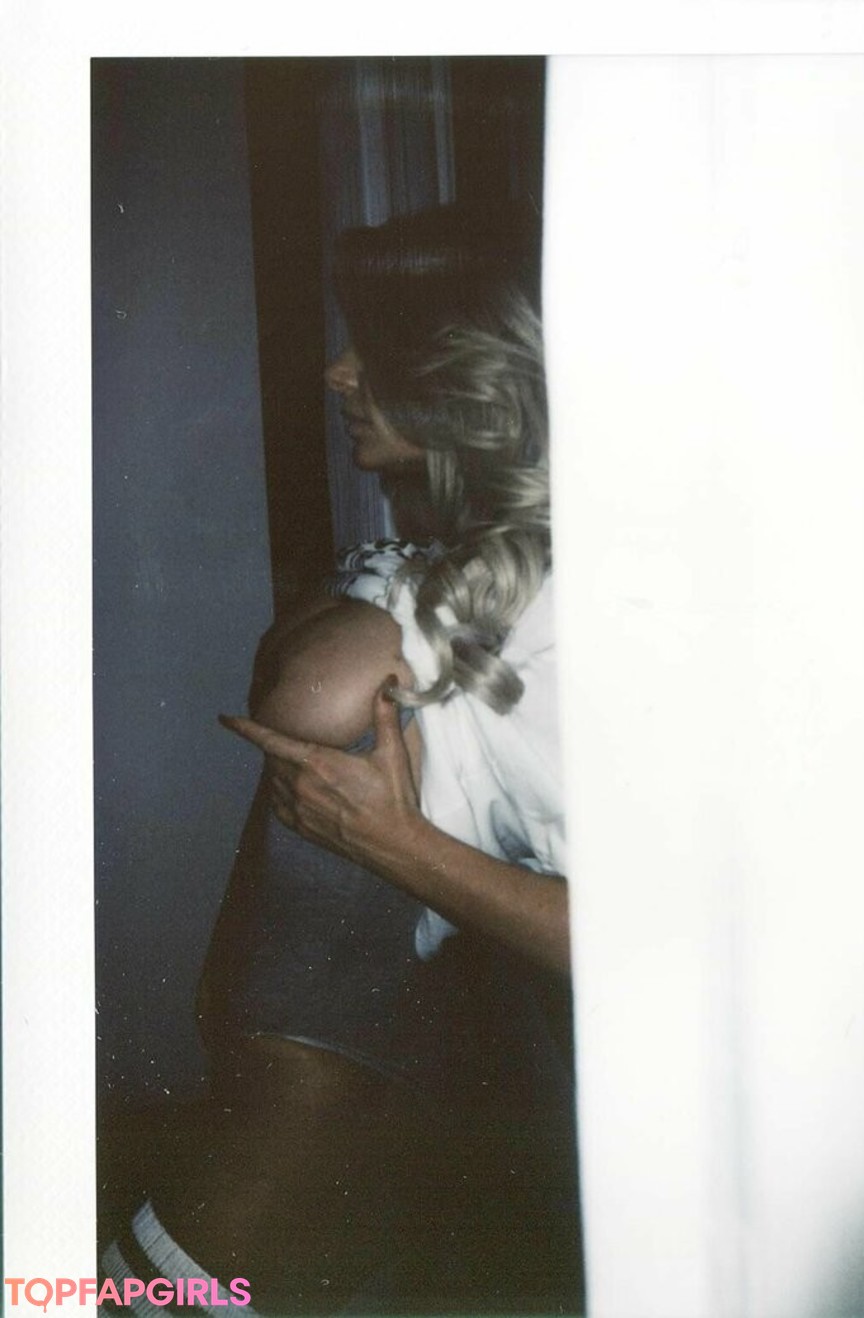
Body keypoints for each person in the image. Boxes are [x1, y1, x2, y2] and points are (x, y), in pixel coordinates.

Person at [101, 205, 583, 1316]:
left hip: (307, 1153)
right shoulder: (477, 573)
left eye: (373, 343)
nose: (337, 372)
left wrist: (395, 843)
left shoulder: (573, 620)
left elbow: (647, 953)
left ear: (469, 372)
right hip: (312, 1115)